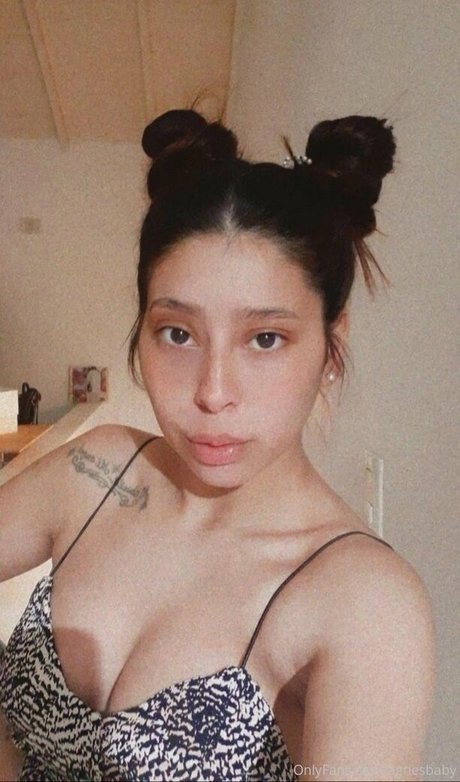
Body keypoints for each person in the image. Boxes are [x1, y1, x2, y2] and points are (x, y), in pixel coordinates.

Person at [0, 110, 435, 781]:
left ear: (331, 345)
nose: (212, 392)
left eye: (265, 339)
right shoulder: (96, 472)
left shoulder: (363, 601)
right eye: (177, 333)